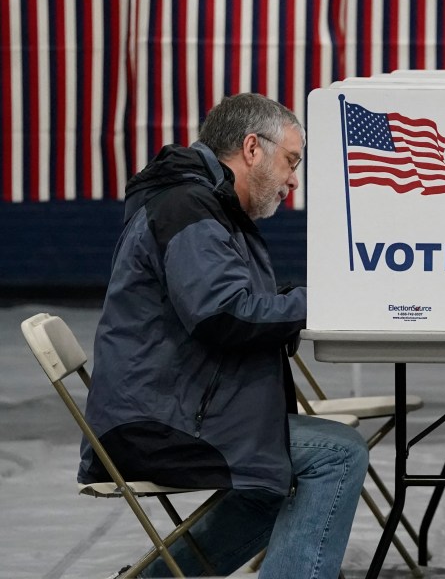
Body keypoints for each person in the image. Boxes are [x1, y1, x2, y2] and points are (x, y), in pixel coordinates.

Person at [80, 93, 368, 578]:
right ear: (252, 148)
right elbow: (223, 315)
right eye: (291, 161)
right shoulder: (188, 207)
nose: (293, 180)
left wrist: (295, 300)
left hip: (169, 406)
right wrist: (327, 301)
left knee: (269, 485)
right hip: (156, 424)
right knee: (338, 453)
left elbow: (228, 301)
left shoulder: (201, 204)